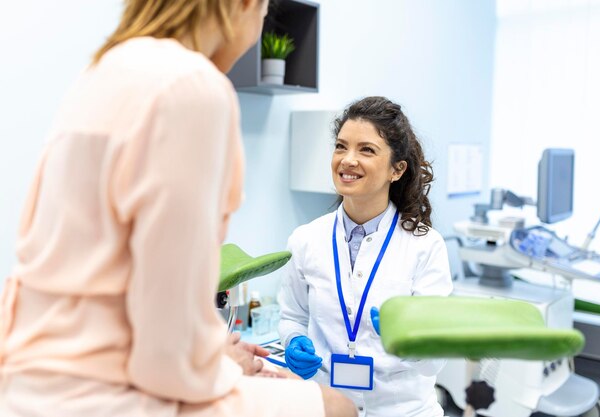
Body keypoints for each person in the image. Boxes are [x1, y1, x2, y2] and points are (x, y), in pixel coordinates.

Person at [0, 1, 356, 416]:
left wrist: (208, 349)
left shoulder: (102, 71)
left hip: (31, 373)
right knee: (337, 407)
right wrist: (220, 364)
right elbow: (166, 354)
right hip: (103, 393)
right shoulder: (191, 88)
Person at [278, 96, 454, 417]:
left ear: (397, 170)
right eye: (341, 146)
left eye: (367, 150)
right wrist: (293, 340)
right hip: (327, 407)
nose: (347, 160)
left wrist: (405, 339)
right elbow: (292, 317)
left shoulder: (425, 246)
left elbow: (436, 359)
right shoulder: (305, 240)